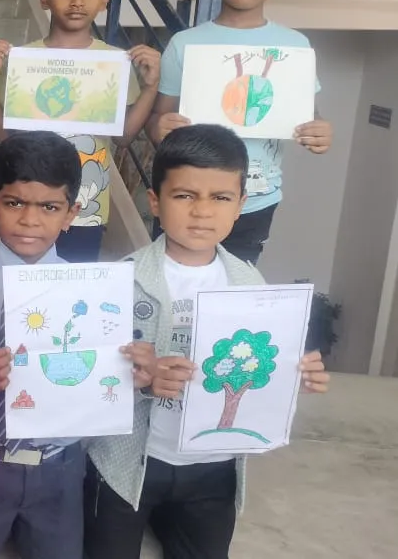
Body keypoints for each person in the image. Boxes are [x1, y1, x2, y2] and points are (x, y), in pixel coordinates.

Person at [83, 124, 331, 559]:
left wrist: (294, 374)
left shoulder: (250, 284)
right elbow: (87, 376)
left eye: (220, 198)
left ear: (241, 206)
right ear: (155, 201)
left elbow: (261, 365)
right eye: (184, 195)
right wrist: (138, 376)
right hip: (128, 462)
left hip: (213, 468)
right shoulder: (121, 279)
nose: (202, 211)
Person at [0, 130, 154, 559]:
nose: (30, 220)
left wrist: (135, 368)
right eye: (14, 203)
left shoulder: (95, 293)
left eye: (49, 207)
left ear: (71, 213)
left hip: (60, 466)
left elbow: (108, 371)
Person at [145, 0, 332, 265]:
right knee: (171, 281)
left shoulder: (295, 46)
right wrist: (160, 128)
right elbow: (158, 120)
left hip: (255, 200)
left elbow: (309, 114)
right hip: (186, 195)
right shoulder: (185, 44)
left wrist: (319, 130)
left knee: (235, 284)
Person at [0, 0, 160, 263]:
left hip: (85, 207)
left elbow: (123, 136)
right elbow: (2, 136)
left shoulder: (114, 63)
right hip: (29, 202)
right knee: (23, 283)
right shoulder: (23, 60)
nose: (77, 1)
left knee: (73, 285)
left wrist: (150, 88)